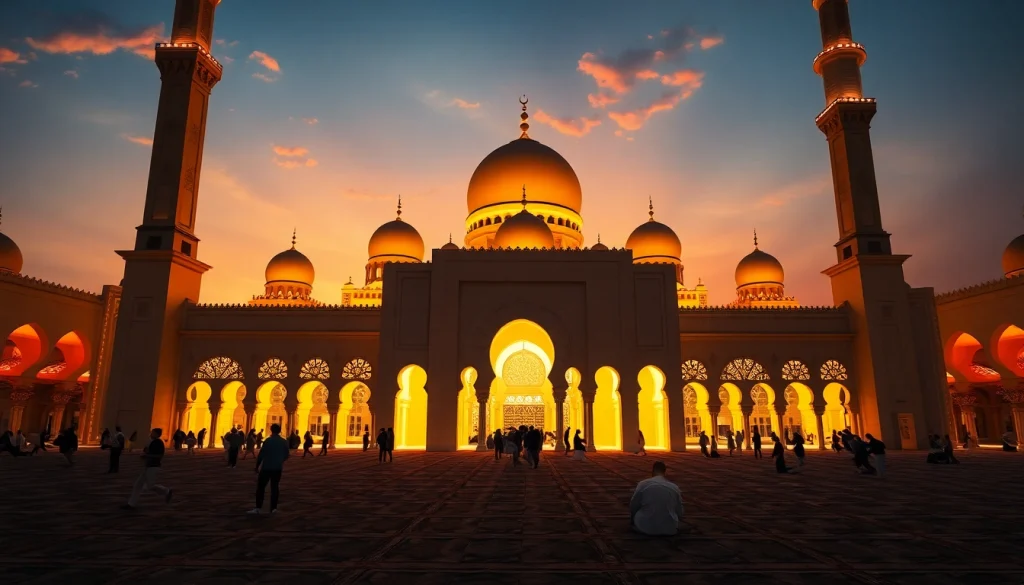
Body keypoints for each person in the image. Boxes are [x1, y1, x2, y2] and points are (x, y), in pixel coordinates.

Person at [629, 461, 684, 536]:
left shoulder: (643, 484)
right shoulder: (674, 487)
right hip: (669, 528)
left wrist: (632, 520)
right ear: (665, 472)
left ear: (653, 471)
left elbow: (633, 506)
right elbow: (680, 512)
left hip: (644, 526)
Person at [123, 428, 172, 509]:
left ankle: (166, 491)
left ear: (157, 434)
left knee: (150, 486)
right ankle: (131, 504)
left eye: (153, 432)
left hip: (153, 467)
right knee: (138, 485)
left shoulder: (159, 443)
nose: (151, 433)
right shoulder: (151, 442)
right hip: (148, 466)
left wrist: (147, 456)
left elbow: (159, 456)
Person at [249, 423, 289, 515]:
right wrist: (279, 461)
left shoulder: (268, 441)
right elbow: (286, 455)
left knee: (261, 487)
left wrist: (257, 466)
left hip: (266, 467)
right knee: (275, 487)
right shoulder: (284, 441)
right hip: (277, 468)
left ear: (271, 430)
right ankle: (274, 508)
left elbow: (261, 455)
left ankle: (258, 507)